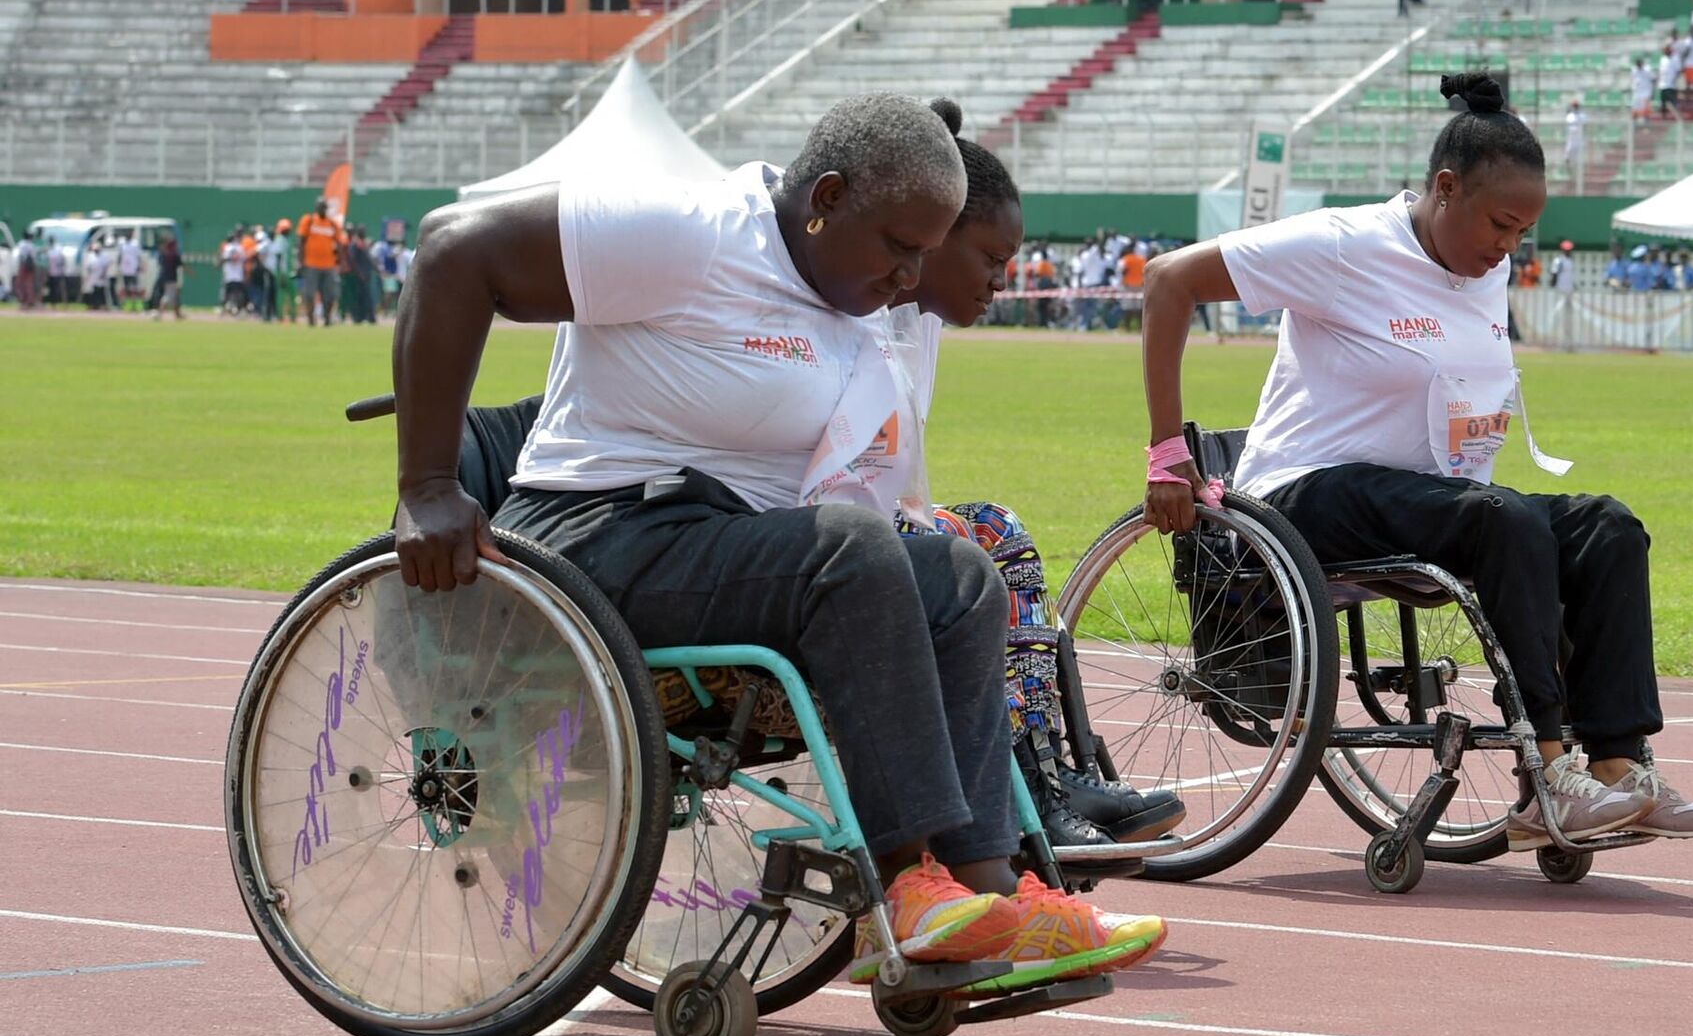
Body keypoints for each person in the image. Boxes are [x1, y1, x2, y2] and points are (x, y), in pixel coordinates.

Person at [396, 92, 1169, 988]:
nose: (912, 281)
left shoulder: (860, 310)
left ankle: (986, 887)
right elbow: (454, 250)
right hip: (596, 533)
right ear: (827, 197)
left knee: (959, 574)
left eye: (926, 254)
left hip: (731, 549)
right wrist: (427, 487)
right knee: (850, 550)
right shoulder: (693, 232)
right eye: (900, 250)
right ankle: (905, 889)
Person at [1138, 73, 1693, 846]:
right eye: (1500, 225)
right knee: (1502, 518)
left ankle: (1618, 767)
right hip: (1305, 496)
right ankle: (1547, 774)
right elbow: (1168, 278)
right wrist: (1167, 452)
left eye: (1523, 233)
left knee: (1608, 526)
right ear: (1445, 188)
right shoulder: (1344, 246)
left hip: (1434, 502)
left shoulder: (1486, 264)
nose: (1509, 248)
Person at [888, 111, 1184, 851]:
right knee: (961, 541)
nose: (1003, 279)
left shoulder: (920, 316)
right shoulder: (858, 305)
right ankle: (1029, 791)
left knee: (1002, 531)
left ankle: (1043, 769)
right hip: (819, 529)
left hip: (880, 520)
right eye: (990, 257)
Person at [296, 197, 342, 327]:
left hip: (329, 265)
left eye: (324, 207)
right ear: (316, 208)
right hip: (311, 264)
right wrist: (300, 262)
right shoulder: (309, 221)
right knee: (309, 294)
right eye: (321, 207)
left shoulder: (332, 224)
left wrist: (340, 261)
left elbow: (338, 244)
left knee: (330, 294)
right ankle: (311, 320)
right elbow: (301, 242)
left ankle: (327, 319)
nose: (323, 210)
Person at [150, 233, 185, 320]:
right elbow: (181, 265)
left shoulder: (163, 253)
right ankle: (159, 314)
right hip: (171, 278)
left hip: (163, 277)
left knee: (174, 297)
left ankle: (177, 314)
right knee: (168, 297)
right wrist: (191, 272)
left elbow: (160, 263)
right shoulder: (174, 254)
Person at [219, 229, 249, 316]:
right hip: (238, 274)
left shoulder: (228, 247)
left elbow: (224, 259)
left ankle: (225, 309)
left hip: (229, 274)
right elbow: (244, 259)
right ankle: (237, 309)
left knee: (227, 293)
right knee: (238, 293)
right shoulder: (240, 247)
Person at [11, 229, 39, 311]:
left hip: (23, 265)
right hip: (31, 266)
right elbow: (34, 257)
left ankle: (24, 302)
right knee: (29, 283)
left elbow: (20, 255)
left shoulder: (21, 244)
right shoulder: (32, 245)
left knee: (20, 283)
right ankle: (30, 301)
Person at [117, 232, 142, 312]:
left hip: (133, 269)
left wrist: (139, 266)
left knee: (135, 288)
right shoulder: (122, 244)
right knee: (127, 288)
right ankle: (128, 305)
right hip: (125, 269)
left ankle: (137, 305)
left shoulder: (135, 244)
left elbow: (138, 256)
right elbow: (120, 255)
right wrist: (118, 265)